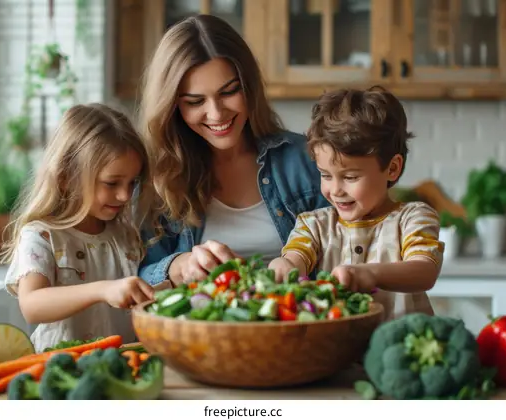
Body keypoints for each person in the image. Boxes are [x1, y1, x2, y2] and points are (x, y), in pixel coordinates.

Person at [137, 14, 329, 287]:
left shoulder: (305, 158)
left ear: (248, 86)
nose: (216, 114)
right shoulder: (157, 178)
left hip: (299, 323)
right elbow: (135, 277)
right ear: (172, 106)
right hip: (199, 327)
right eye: (195, 101)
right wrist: (178, 267)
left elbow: (347, 249)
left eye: (228, 92)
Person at [269, 86, 444, 321]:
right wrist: (284, 265)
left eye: (350, 177)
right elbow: (295, 257)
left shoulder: (413, 218)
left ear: (392, 168)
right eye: (326, 175)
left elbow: (425, 271)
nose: (335, 190)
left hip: (402, 347)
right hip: (340, 350)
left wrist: (370, 274)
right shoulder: (314, 225)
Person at [0, 103, 157, 352]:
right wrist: (103, 290)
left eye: (132, 183)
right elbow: (31, 305)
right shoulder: (42, 235)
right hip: (61, 370)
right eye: (112, 183)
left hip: (122, 367)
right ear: (66, 178)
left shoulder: (126, 235)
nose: (125, 195)